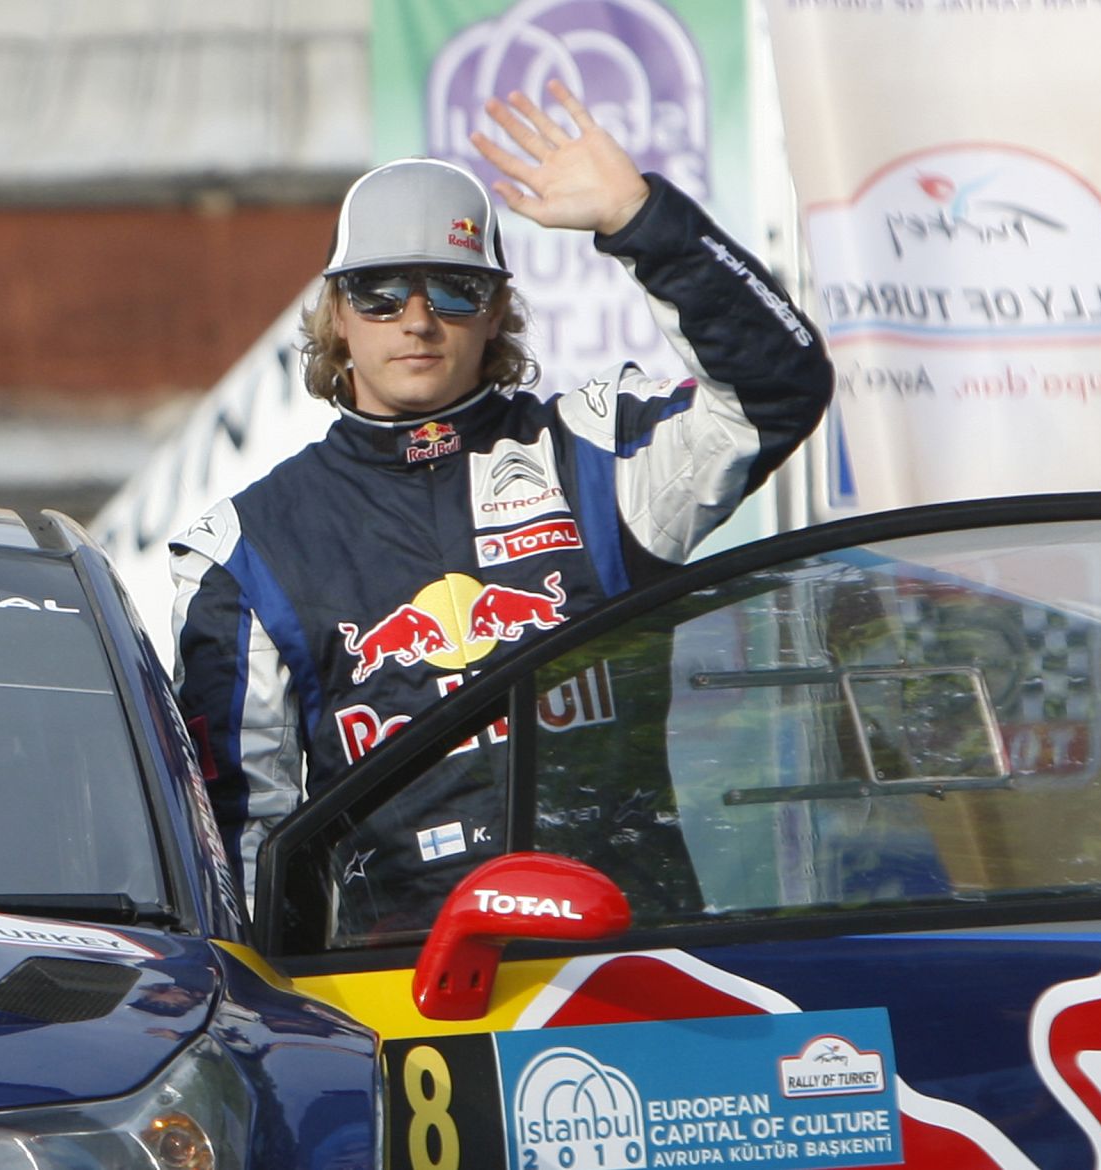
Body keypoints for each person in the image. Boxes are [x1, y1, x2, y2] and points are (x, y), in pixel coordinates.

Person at [170, 80, 834, 907]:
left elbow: (780, 387)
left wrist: (642, 219)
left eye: (454, 288)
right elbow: (239, 842)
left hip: (631, 961)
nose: (417, 319)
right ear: (338, 315)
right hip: (401, 988)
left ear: (498, 313)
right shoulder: (247, 546)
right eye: (381, 291)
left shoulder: (595, 456)